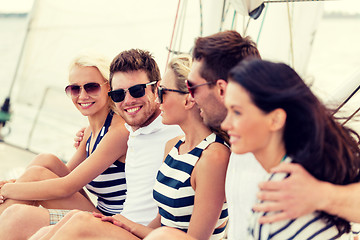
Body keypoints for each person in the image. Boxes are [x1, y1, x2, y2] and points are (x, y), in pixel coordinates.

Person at [31, 54, 231, 240]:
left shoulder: (213, 157)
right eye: (118, 94)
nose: (158, 99)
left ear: (188, 99)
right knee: (59, 226)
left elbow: (194, 239)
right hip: (150, 234)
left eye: (162, 92)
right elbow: (160, 223)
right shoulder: (174, 147)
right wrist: (126, 224)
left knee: (81, 222)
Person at [221, 58, 360, 239]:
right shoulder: (322, 168)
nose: (225, 124)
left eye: (237, 112)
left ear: (276, 119)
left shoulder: (277, 203)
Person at [0, 53, 128, 239]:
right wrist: (14, 185)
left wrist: (7, 190)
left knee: (34, 181)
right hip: (100, 211)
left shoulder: (118, 131)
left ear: (109, 86)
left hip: (115, 224)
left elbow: (65, 187)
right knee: (46, 161)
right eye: (75, 89)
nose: (82, 95)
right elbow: (61, 174)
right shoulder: (91, 132)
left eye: (91, 87)